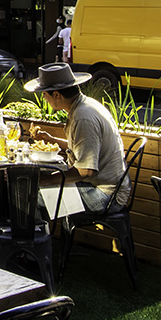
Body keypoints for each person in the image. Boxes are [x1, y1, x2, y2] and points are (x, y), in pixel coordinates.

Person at [26, 63, 128, 213]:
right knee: (36, 185)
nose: (43, 97)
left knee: (28, 193)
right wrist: (51, 139)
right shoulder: (84, 105)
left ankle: (38, 236)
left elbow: (86, 170)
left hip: (105, 194)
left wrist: (48, 179)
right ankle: (40, 232)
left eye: (44, 93)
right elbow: (85, 149)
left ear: (56, 95)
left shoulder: (83, 117)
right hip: (100, 186)